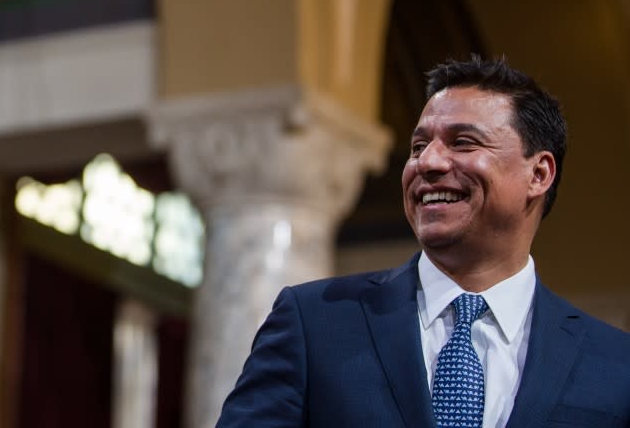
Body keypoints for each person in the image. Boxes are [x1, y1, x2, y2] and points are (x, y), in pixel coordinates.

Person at [216, 56, 630, 427]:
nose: (427, 162)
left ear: (538, 174)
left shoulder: (615, 363)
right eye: (418, 146)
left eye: (463, 141)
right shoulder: (313, 322)